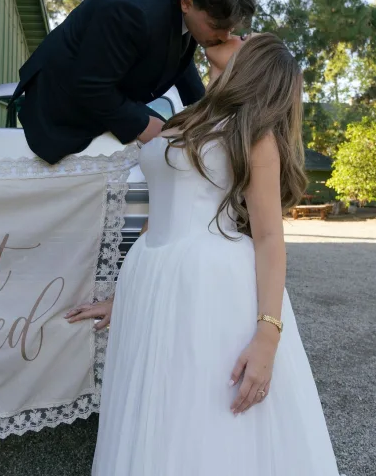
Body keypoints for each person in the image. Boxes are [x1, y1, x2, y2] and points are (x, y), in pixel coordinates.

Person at [65, 33, 341, 475]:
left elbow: (270, 237)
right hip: (151, 279)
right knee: (154, 414)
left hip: (208, 288)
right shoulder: (186, 117)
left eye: (245, 38)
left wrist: (268, 337)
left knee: (200, 416)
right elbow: (162, 210)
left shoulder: (253, 135)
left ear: (252, 65)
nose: (234, 32)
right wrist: (123, 296)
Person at [11, 0, 256, 164]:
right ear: (187, 4)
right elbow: (89, 85)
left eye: (231, 28)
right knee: (167, 149)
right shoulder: (134, 13)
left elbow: (176, 55)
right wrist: (143, 125)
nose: (225, 36)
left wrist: (204, 107)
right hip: (61, 102)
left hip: (101, 92)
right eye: (217, 27)